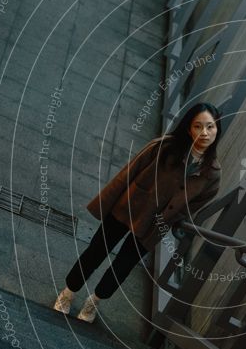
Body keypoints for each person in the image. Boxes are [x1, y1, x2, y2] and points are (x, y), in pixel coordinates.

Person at [53, 102, 222, 322]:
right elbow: (129, 172)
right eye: (198, 126)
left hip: (153, 226)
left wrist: (170, 220)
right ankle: (68, 292)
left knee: (122, 267)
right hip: (128, 208)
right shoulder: (164, 147)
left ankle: (93, 302)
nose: (204, 133)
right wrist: (106, 202)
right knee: (96, 251)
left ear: (218, 129)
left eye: (210, 127)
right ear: (188, 128)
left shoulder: (212, 174)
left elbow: (194, 207)